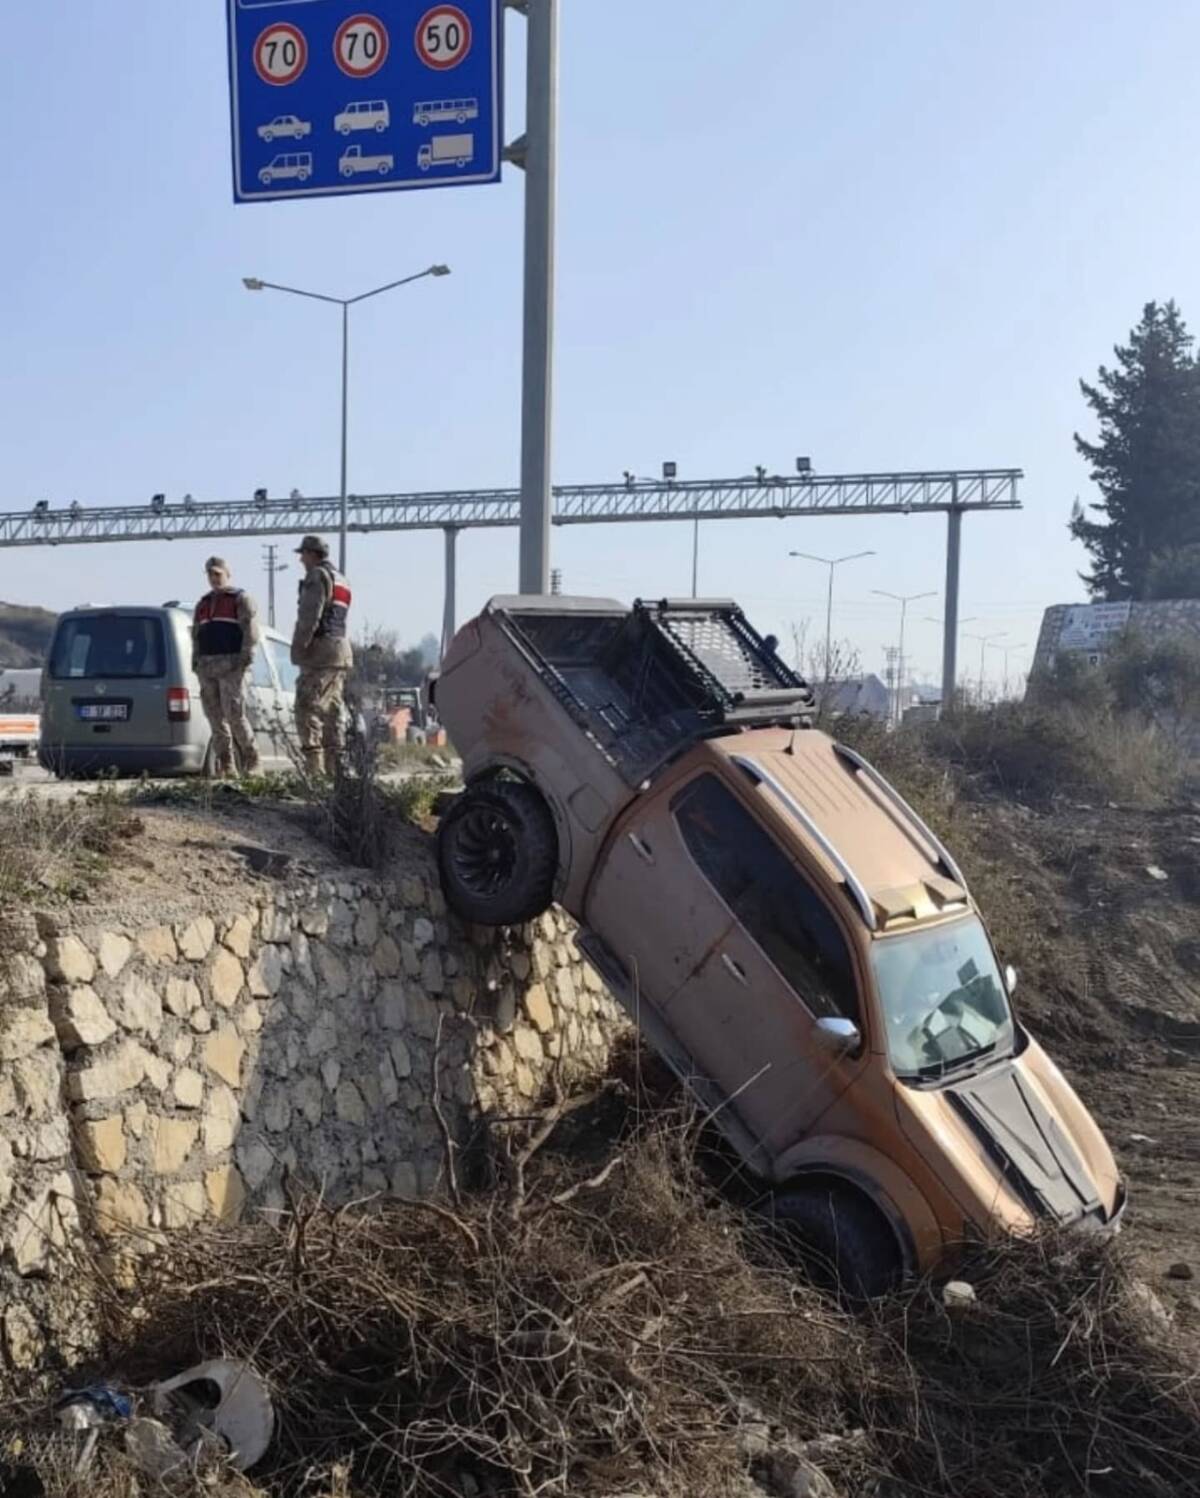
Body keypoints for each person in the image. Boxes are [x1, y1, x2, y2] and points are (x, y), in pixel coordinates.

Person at [192, 557, 260, 776]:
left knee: (235, 715)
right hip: (207, 666)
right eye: (210, 575)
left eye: (218, 574)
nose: (214, 579)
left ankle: (252, 761)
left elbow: (250, 631)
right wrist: (196, 661)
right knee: (215, 717)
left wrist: (245, 658)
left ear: (227, 574)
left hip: (231, 666)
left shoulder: (239, 599)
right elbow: (196, 635)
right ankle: (227, 764)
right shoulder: (203, 604)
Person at [291, 535, 353, 776]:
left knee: (307, 707)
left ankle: (313, 770)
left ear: (313, 554)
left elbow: (309, 615)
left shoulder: (316, 576)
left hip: (320, 652)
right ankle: (336, 769)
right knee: (333, 711)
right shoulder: (342, 580)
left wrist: (299, 647)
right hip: (340, 652)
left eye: (303, 554)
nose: (300, 559)